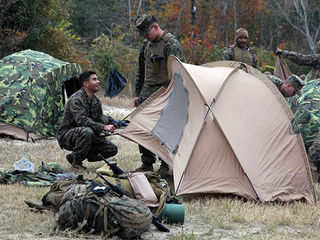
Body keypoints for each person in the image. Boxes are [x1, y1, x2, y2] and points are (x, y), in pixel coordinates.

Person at [133, 14, 185, 174]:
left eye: (147, 33)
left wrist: (176, 96)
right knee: (143, 125)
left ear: (155, 27)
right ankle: (147, 162)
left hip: (166, 90)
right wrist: (137, 93)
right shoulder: (146, 45)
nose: (146, 37)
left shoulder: (171, 44)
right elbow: (141, 71)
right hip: (147, 90)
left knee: (164, 128)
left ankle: (164, 164)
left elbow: (181, 71)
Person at [57, 71, 118, 170]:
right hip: (67, 135)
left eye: (98, 79)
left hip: (87, 134)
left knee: (112, 149)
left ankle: (75, 156)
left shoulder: (96, 101)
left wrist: (100, 133)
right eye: (94, 79)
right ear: (85, 83)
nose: (98, 82)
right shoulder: (76, 99)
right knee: (86, 132)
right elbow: (82, 121)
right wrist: (104, 127)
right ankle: (76, 163)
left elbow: (99, 120)